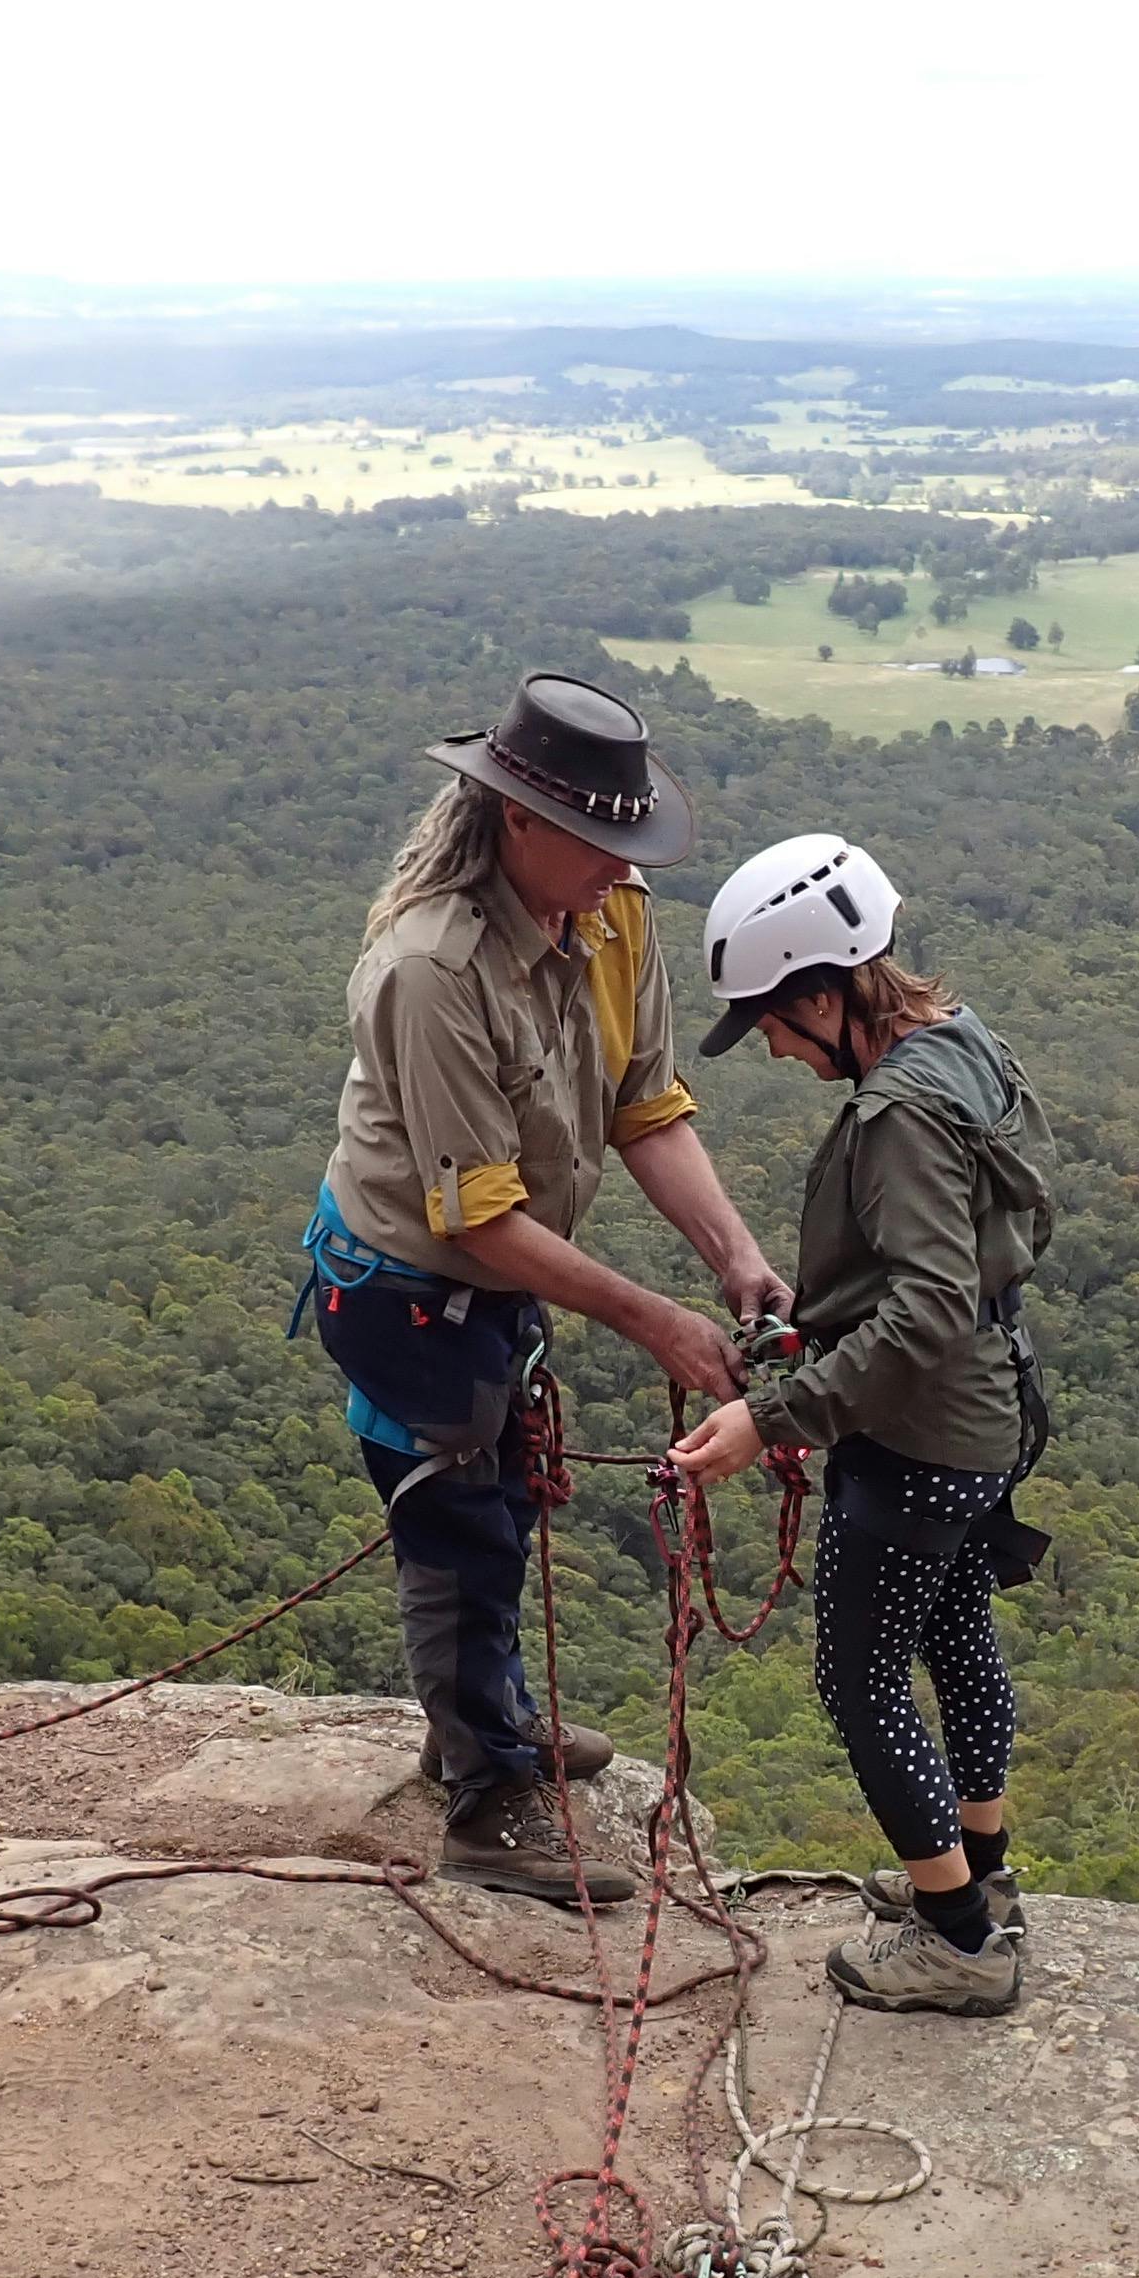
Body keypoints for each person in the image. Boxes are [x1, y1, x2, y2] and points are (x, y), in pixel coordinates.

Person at [306, 674, 785, 1905]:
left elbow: (644, 1107)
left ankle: (484, 1723)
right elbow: (478, 1213)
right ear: (520, 820)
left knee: (505, 1496)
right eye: (602, 844)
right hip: (406, 1280)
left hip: (497, 1268)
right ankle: (485, 1802)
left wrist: (732, 1260)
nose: (626, 873)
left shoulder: (610, 919)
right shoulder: (431, 970)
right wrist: (655, 1321)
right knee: (460, 1516)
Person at [667, 833, 1054, 2016]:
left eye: (777, 1022)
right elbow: (965, 1268)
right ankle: (979, 1879)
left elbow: (926, 1305)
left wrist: (773, 1413)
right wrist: (819, 1323)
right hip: (989, 1410)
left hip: (918, 1431)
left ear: (827, 992)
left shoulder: (895, 1113)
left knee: (861, 1674)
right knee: (954, 1638)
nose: (775, 1048)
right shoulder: (965, 1047)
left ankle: (956, 1942)